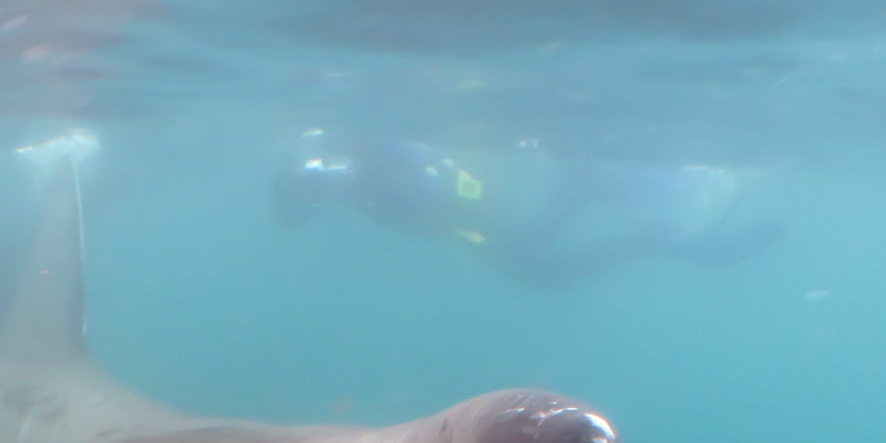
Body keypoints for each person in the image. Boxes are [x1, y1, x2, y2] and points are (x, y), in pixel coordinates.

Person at [272, 128, 784, 287]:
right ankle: (679, 244)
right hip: (477, 222)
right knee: (542, 265)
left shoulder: (370, 174)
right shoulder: (365, 183)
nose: (324, 199)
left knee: (543, 271)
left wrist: (412, 205)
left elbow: (426, 193)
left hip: (478, 219)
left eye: (314, 190)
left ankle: (660, 234)